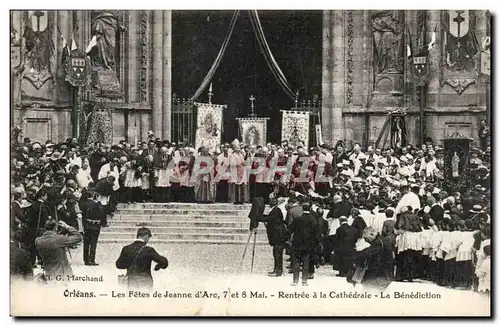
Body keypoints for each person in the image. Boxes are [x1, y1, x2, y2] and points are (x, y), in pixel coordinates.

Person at [288, 202, 320, 286]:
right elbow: (316, 233)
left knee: (296, 263)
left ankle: (295, 280)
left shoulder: (297, 219)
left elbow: (290, 229)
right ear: (310, 209)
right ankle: (304, 281)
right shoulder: (313, 220)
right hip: (308, 244)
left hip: (297, 243)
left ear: (302, 209)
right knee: (306, 263)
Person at [353, 227, 394, 291]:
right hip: (383, 273)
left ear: (371, 234)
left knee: (369, 290)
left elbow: (369, 252)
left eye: (366, 238)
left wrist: (356, 256)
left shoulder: (379, 242)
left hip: (380, 275)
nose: (366, 240)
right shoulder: (380, 240)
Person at [255, 198, 287, 277]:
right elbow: (268, 217)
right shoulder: (275, 210)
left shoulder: (275, 211)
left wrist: (258, 217)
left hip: (278, 235)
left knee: (277, 254)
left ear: (272, 203)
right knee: (276, 253)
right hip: (277, 235)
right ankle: (276, 269)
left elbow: (269, 219)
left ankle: (278, 271)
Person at [80, 189, 106, 266]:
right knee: (93, 243)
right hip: (95, 226)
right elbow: (102, 215)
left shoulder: (83, 204)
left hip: (86, 225)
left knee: (86, 242)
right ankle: (92, 259)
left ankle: (86, 259)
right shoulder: (98, 204)